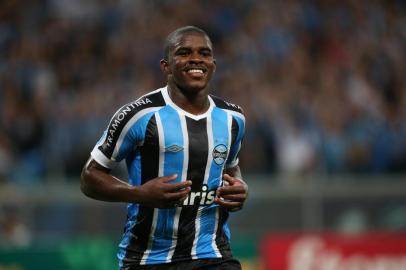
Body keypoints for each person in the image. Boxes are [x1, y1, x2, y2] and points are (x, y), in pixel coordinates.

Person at [80, 25, 248, 270]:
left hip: (212, 254)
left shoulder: (234, 118)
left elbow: (231, 169)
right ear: (166, 66)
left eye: (204, 53)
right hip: (148, 259)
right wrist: (139, 194)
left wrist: (239, 190)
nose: (195, 59)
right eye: (184, 52)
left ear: (213, 63)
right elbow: (89, 177)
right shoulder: (139, 114)